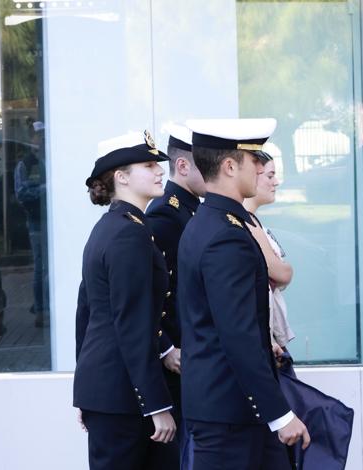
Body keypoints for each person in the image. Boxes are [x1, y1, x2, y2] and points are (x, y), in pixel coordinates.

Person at [179, 118, 310, 470]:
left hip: (232, 408)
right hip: (230, 413)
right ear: (229, 165)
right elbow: (238, 333)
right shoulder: (225, 234)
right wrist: (280, 414)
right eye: (254, 159)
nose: (261, 167)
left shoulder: (212, 222)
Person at [75, 131, 178, 470]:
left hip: (109, 389)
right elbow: (132, 323)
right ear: (121, 177)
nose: (159, 170)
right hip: (122, 395)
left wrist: (86, 390)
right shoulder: (128, 232)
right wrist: (155, 404)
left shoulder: (113, 226)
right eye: (149, 165)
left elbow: (86, 314)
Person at [145, 125, 205, 451]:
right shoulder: (166, 216)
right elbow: (152, 295)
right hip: (177, 361)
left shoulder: (191, 209)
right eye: (204, 163)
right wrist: (166, 347)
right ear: (182, 166)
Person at [241, 155, 295, 366]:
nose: (276, 182)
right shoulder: (247, 222)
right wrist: (285, 269)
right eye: (270, 175)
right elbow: (281, 274)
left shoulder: (252, 219)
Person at [14, 121, 48, 327]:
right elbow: (21, 193)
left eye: (45, 135)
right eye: (39, 135)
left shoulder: (53, 157)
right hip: (37, 222)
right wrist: (47, 188)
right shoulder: (25, 164)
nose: (42, 139)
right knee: (40, 268)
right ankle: (40, 310)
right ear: (32, 139)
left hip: (57, 223)